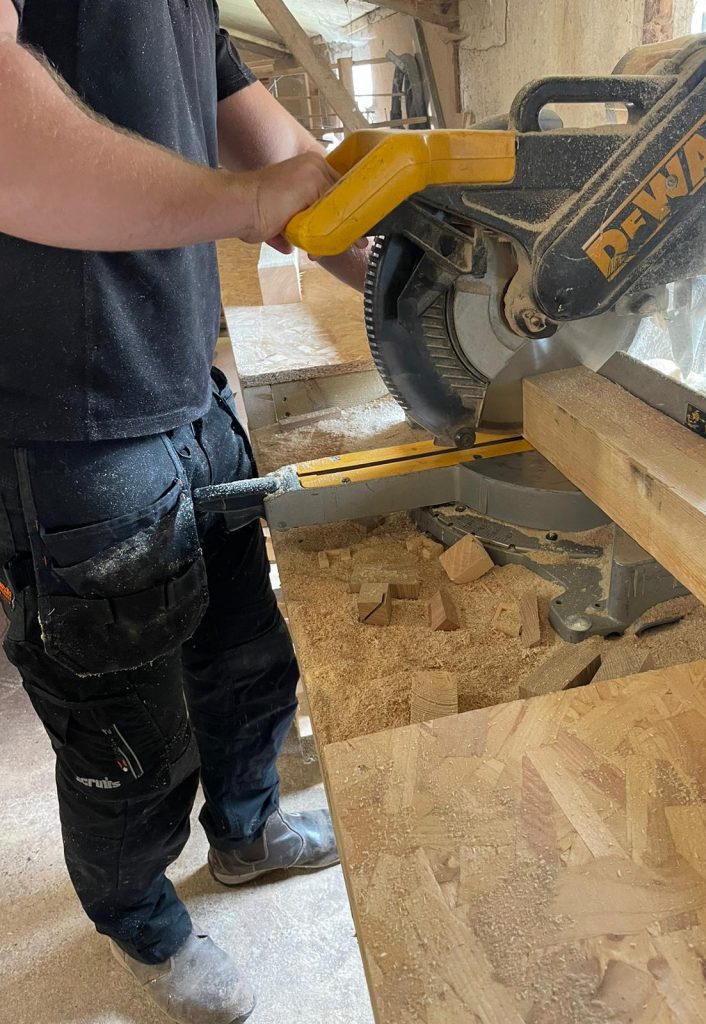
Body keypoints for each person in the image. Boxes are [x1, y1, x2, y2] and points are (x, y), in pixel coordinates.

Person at [0, 3, 369, 1022]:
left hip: (185, 379)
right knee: (130, 743)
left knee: (250, 658)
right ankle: (142, 922)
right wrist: (248, 203)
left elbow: (283, 154)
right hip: (67, 421)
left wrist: (421, 276)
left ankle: (246, 832)